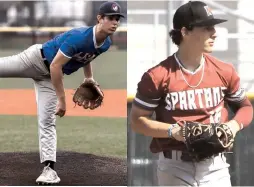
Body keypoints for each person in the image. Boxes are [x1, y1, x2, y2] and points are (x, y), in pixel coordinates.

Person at [0, 1, 124, 184]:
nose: (114, 22)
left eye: (117, 19)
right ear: (100, 18)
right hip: (34, 60)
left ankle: (49, 170)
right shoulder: (79, 37)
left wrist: (88, 78)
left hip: (49, 78)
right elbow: (56, 65)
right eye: (110, 18)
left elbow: (88, 56)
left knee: (47, 121)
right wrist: (62, 100)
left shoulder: (104, 43)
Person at [130, 1, 253, 186]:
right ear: (185, 32)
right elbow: (137, 122)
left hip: (216, 166)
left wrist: (233, 126)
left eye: (213, 27)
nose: (214, 33)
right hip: (175, 166)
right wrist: (172, 131)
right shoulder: (157, 76)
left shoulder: (224, 70)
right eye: (206, 27)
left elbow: (245, 107)